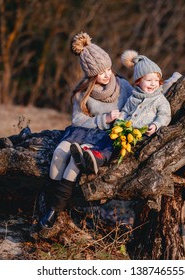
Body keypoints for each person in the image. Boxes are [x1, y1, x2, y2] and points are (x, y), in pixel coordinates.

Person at [38, 32, 133, 230]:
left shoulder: (123, 85)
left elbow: (134, 106)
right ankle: (48, 202)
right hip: (83, 130)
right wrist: (103, 118)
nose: (107, 74)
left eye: (108, 68)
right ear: (91, 74)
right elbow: (78, 119)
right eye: (101, 72)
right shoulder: (82, 92)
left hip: (105, 136)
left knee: (75, 161)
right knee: (59, 153)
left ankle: (54, 210)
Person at [75, 49, 179, 175]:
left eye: (156, 80)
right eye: (149, 80)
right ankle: (92, 153)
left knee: (114, 147)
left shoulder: (159, 99)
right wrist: (119, 122)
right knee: (110, 139)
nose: (153, 84)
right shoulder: (134, 96)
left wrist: (156, 125)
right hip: (126, 131)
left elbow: (164, 115)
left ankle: (100, 158)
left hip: (141, 134)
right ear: (138, 81)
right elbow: (125, 111)